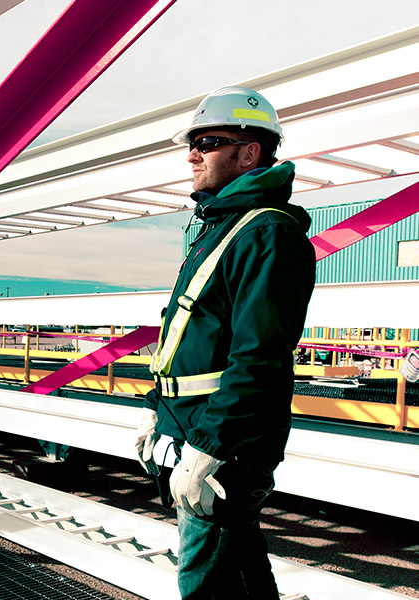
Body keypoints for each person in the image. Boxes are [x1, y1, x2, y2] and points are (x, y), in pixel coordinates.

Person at [135, 86, 316, 599]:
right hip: (190, 425)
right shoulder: (221, 227)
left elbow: (259, 355)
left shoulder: (267, 234)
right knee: (235, 563)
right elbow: (188, 336)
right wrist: (158, 409)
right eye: (191, 143)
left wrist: (211, 445)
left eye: (207, 142)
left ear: (249, 151)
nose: (192, 154)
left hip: (221, 439)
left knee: (208, 581)